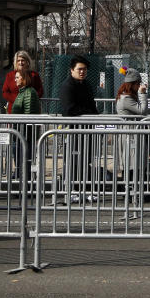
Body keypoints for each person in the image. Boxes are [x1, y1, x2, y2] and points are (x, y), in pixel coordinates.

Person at [59, 56, 98, 202]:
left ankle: (84, 189)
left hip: (87, 130)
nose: (82, 72)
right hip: (74, 130)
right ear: (72, 70)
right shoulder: (67, 86)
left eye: (85, 69)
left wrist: (96, 118)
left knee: (85, 160)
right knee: (73, 161)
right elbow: (69, 109)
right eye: (79, 69)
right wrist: (89, 113)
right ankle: (72, 190)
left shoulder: (86, 85)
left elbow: (92, 105)